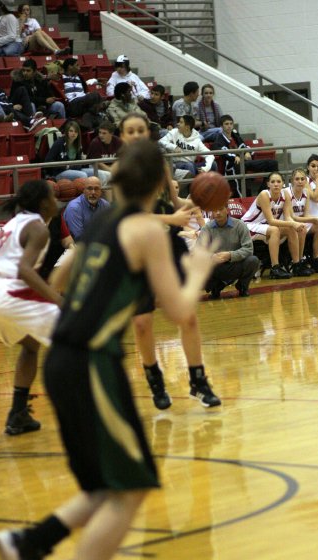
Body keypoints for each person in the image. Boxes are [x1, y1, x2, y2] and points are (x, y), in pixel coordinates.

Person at [0, 139, 216, 560]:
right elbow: (181, 310)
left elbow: (59, 273)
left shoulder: (99, 224)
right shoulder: (145, 232)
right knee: (130, 487)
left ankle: (31, 547)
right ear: (161, 183)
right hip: (92, 361)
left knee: (104, 487)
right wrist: (200, 268)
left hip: (69, 357)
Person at [119, 112, 221, 409]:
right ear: (123, 137)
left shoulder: (161, 165)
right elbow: (129, 216)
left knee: (187, 314)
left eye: (141, 130)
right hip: (138, 250)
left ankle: (198, 381)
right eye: (130, 131)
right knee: (142, 322)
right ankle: (155, 382)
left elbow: (176, 205)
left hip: (169, 243)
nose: (137, 135)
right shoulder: (121, 173)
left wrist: (197, 200)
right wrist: (172, 216)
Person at [0, 180, 62, 435]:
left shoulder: (14, 222)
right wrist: (57, 299)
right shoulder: (38, 228)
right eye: (52, 195)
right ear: (43, 202)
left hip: (1, 291)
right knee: (78, 336)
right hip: (10, 293)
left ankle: (18, 413)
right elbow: (24, 270)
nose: (56, 199)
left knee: (31, 345)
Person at [241, 171, 304, 279]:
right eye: (273, 182)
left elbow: (288, 216)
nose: (276, 184)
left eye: (278, 181)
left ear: (283, 183)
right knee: (275, 229)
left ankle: (296, 265)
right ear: (268, 184)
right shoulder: (264, 195)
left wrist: (293, 224)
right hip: (249, 225)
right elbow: (271, 221)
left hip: (265, 226)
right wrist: (293, 223)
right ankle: (275, 268)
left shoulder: (286, 195)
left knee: (291, 229)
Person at [198, 203, 260, 299]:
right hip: (215, 266)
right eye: (215, 210)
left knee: (253, 261)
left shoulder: (240, 225)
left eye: (220, 209)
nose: (218, 213)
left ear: (227, 210)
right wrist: (211, 257)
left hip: (234, 264)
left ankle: (242, 286)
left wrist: (230, 255)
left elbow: (249, 249)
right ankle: (215, 287)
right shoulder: (207, 228)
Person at [212, 114, 279, 198]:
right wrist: (234, 157)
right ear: (221, 126)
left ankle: (264, 193)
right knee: (238, 167)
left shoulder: (235, 134)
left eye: (230, 124)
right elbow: (222, 151)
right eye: (226, 124)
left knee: (272, 163)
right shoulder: (219, 138)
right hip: (233, 165)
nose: (229, 126)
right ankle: (243, 198)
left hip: (245, 162)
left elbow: (244, 145)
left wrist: (247, 152)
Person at [285, 167, 318, 274]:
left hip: (299, 221)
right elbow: (292, 217)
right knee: (302, 228)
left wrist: (315, 220)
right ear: (292, 180)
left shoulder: (306, 192)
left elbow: (306, 214)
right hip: (288, 222)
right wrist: (313, 219)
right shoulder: (287, 193)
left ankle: (315, 259)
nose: (300, 181)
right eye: (297, 179)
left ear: (306, 181)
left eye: (302, 179)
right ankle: (299, 262)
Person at [44, 120, 110, 184]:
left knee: (102, 174)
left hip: (74, 169)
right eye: (71, 131)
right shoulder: (59, 143)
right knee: (82, 175)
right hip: (59, 172)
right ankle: (86, 194)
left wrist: (83, 161)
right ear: (67, 132)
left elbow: (79, 164)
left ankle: (99, 192)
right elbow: (47, 160)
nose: (73, 133)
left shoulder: (78, 144)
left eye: (76, 132)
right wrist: (65, 166)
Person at [159, 114, 215, 180]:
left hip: (191, 164)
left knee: (213, 165)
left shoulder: (197, 140)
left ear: (187, 127)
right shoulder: (174, 132)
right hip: (176, 164)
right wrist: (173, 147)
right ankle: (192, 189)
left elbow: (210, 155)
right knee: (189, 165)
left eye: (181, 122)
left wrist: (206, 168)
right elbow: (161, 141)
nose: (178, 124)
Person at [63, 176, 110, 241]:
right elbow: (79, 238)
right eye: (89, 188)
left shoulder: (106, 205)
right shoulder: (74, 208)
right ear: (84, 190)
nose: (93, 192)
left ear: (101, 191)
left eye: (96, 189)